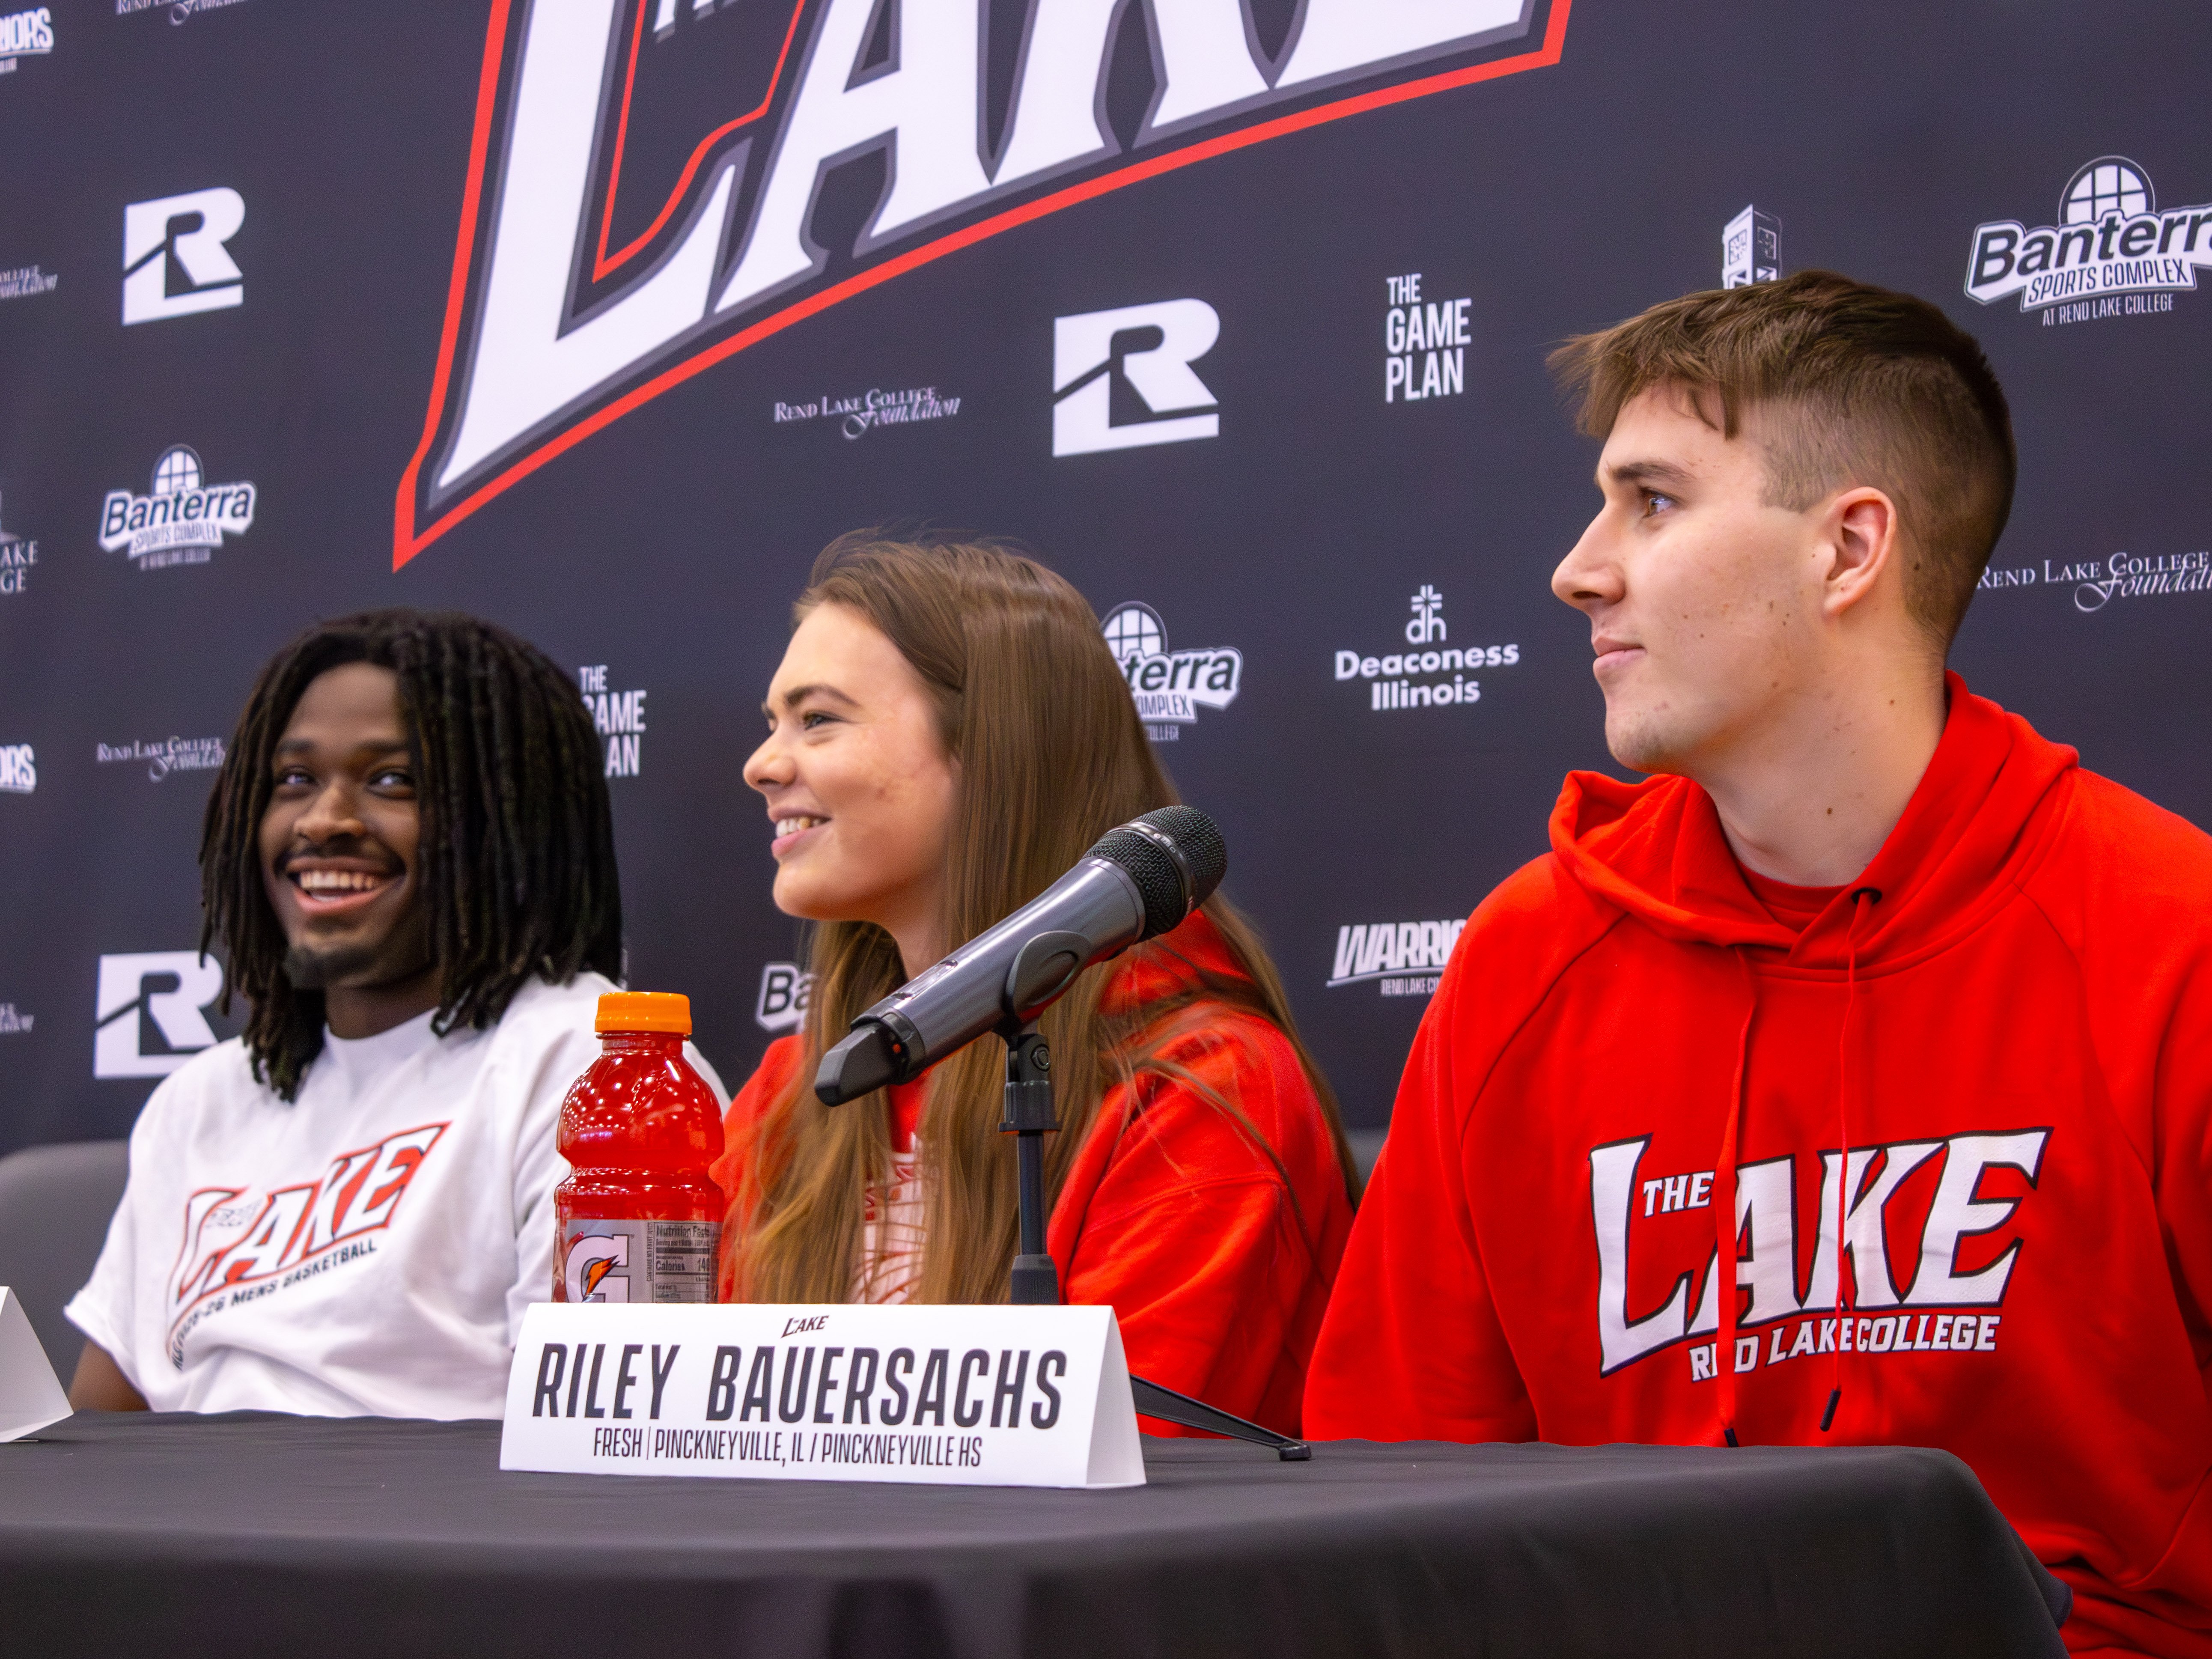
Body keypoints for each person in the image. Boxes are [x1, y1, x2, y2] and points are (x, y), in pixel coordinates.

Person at [1304, 272, 2212, 1656]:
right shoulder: (1523, 959)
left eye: (1651, 501)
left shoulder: (2168, 935)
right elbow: (1392, 1496)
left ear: (1845, 550)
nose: (1576, 567)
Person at [714, 531, 1355, 1436]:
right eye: (772, 722)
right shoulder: (792, 1092)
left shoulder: (1200, 1090)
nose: (764, 765)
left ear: (990, 751)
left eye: (818, 720)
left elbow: (1110, 1484)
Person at [65, 609, 724, 1418]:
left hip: (425, 1539)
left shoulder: (594, 1068)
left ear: (507, 820)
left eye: (391, 782)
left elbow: (607, 1433)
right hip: (173, 1535)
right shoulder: (203, 1100)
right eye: (294, 781)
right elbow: (94, 1434)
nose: (323, 821)